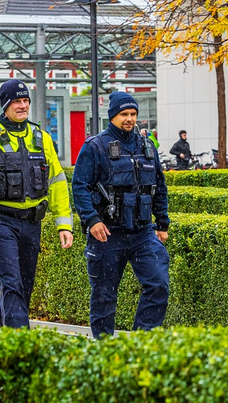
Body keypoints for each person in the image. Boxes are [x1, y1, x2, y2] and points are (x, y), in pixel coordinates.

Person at [0, 79, 73, 329]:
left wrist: (64, 224)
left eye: (25, 101)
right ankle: (21, 347)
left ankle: (2, 346)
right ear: (5, 105)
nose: (23, 106)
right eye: (17, 101)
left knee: (22, 288)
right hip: (0, 222)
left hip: (32, 224)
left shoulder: (42, 138)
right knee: (12, 284)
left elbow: (56, 182)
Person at [72, 91, 170, 338]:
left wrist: (162, 223)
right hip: (108, 234)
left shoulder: (147, 146)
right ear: (113, 116)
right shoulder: (95, 146)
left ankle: (139, 344)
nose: (129, 119)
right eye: (124, 114)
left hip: (143, 233)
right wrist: (92, 220)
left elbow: (159, 186)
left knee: (158, 284)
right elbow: (80, 186)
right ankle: (105, 350)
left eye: (133, 114)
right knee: (104, 296)